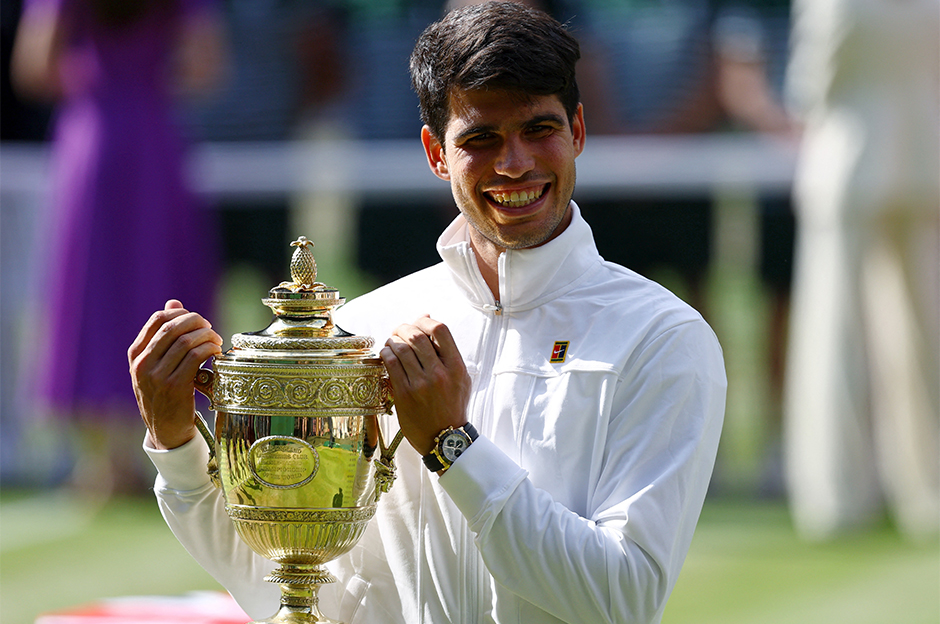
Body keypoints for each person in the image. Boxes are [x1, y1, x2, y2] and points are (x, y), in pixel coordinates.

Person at [129, 2, 727, 622]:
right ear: (436, 153)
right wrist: (177, 444)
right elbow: (292, 582)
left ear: (576, 131)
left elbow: (622, 596)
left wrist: (452, 446)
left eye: (538, 129)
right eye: (481, 138)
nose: (515, 163)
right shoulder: (363, 330)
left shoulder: (660, 336)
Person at [12, 0, 225, 496]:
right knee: (157, 280)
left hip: (92, 138)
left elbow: (34, 67)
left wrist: (91, 75)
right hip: (152, 139)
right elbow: (204, 68)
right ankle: (154, 448)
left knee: (89, 290)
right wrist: (147, 78)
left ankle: (98, 458)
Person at [782, 0, 939, 541]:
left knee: (835, 337)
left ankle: (837, 493)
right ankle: (926, 492)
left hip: (850, 160)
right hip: (922, 159)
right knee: (924, 335)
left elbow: (811, 85)